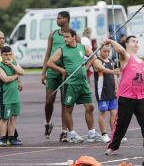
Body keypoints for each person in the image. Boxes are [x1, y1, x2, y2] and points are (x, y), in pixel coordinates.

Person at [104, 35, 144, 155]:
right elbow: (120, 50)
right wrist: (111, 41)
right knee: (121, 124)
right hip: (126, 96)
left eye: (137, 41)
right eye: (133, 41)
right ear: (127, 44)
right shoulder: (125, 57)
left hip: (141, 97)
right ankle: (112, 147)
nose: (136, 43)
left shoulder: (141, 62)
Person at [47, 28, 101, 143]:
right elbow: (50, 63)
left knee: (90, 106)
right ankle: (72, 135)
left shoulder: (81, 47)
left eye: (67, 37)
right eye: (64, 37)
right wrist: (62, 71)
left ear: (74, 37)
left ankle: (91, 134)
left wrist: (85, 68)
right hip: (70, 84)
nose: (65, 39)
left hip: (83, 83)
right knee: (68, 108)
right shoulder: (61, 50)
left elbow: (93, 56)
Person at [41, 11, 81, 142]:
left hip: (67, 73)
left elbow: (80, 55)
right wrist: (44, 72)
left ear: (66, 19)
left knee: (65, 102)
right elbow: (48, 54)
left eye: (59, 18)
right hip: (53, 72)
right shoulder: (53, 34)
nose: (57, 20)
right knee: (49, 101)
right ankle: (48, 123)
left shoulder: (75, 36)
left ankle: (64, 132)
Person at [93, 44, 120, 143]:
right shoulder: (97, 61)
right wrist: (113, 71)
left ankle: (115, 134)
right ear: (100, 50)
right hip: (102, 91)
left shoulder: (111, 61)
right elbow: (103, 70)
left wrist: (117, 88)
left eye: (108, 51)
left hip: (111, 91)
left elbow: (114, 78)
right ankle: (104, 134)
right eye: (105, 51)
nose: (107, 53)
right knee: (103, 113)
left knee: (114, 113)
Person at [0, 31, 22, 144]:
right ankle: (3, 138)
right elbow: (6, 78)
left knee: (9, 115)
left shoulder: (9, 53)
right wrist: (15, 76)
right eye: (0, 38)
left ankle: (10, 137)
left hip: (8, 91)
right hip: (3, 89)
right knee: (4, 116)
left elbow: (18, 69)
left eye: (3, 38)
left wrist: (18, 81)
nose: (2, 40)